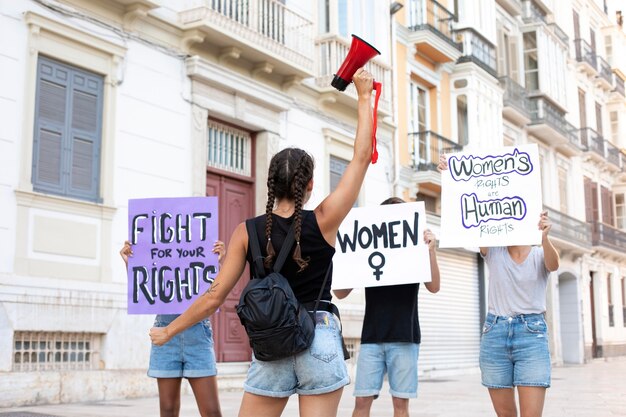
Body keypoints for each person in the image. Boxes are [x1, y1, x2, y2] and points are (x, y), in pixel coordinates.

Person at [148, 67, 375, 417]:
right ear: (310, 185)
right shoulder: (325, 219)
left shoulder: (246, 231)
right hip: (319, 337)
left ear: (270, 185)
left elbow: (213, 298)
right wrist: (363, 98)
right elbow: (360, 159)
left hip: (272, 344)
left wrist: (169, 331)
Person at [439, 154, 559, 417]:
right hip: (495, 331)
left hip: (531, 333)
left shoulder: (540, 253)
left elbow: (554, 264)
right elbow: (470, 206)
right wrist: (451, 176)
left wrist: (545, 237)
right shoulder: (494, 250)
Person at [333, 196, 441, 417]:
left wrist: (431, 251)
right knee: (362, 400)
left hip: (405, 336)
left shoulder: (414, 250)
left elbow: (434, 287)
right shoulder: (369, 251)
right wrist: (347, 257)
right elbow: (340, 293)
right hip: (372, 337)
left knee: (400, 404)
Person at [120, 240, 225, 417]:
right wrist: (131, 263)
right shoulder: (160, 250)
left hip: (198, 334)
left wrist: (218, 263)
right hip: (164, 333)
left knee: (212, 412)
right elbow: (147, 288)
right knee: (168, 410)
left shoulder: (200, 246)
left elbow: (214, 295)